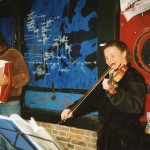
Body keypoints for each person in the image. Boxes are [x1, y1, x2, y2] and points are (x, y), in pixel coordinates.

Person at [60, 40, 146, 150]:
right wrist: (72, 110)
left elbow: (135, 106)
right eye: (106, 57)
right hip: (106, 136)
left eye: (112, 56)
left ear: (124, 53)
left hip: (125, 140)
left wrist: (112, 91)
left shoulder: (134, 77)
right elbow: (92, 98)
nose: (109, 61)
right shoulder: (111, 76)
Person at [0, 32, 30, 150]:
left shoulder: (14, 54)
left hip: (10, 104)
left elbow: (25, 77)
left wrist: (9, 80)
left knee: (13, 142)